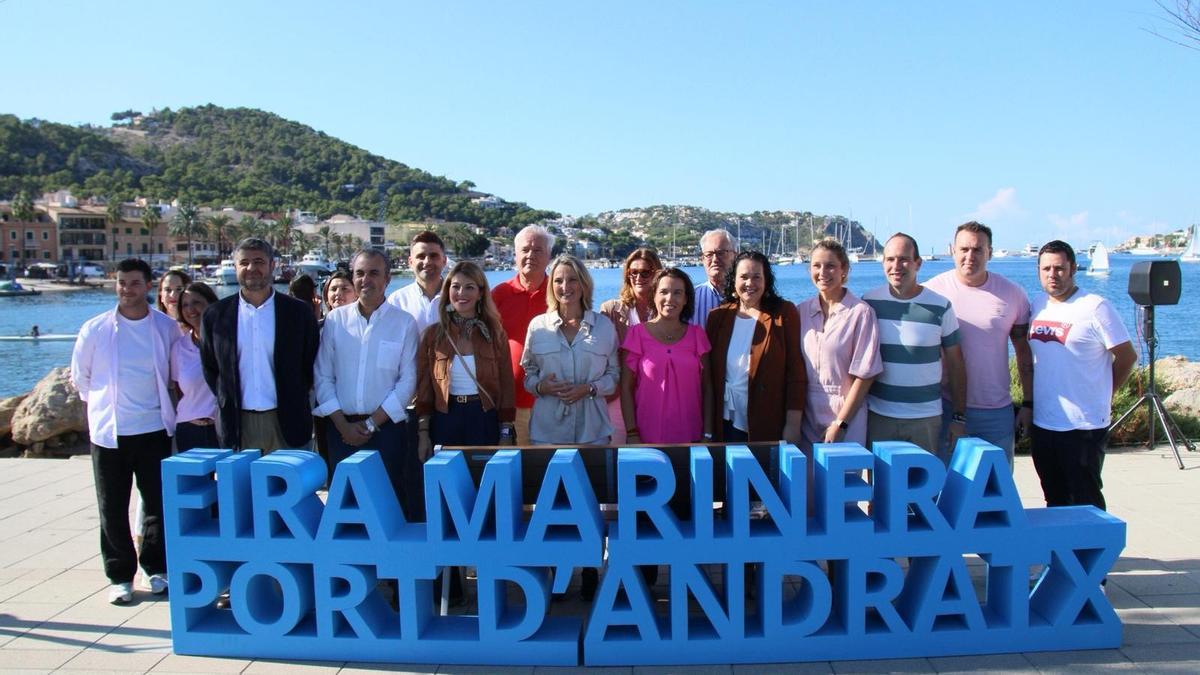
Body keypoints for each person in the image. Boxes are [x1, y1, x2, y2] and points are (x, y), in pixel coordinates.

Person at [70, 258, 180, 604]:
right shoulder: (95, 329)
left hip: (153, 430)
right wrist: (103, 408)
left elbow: (173, 375)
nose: (127, 290)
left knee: (156, 504)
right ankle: (120, 576)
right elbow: (81, 378)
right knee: (112, 506)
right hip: (109, 434)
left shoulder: (164, 328)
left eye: (134, 283)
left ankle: (156, 567)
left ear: (148, 286)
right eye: (121, 283)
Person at [1028, 241, 1136, 510]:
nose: (1053, 274)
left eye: (1060, 268)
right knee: (1054, 497)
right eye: (1046, 269)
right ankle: (1060, 551)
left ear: (1073, 268)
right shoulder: (1038, 305)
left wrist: (1104, 392)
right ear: (1039, 271)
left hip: (1083, 426)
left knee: (1085, 498)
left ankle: (1095, 552)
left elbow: (1127, 356)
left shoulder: (1095, 307)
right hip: (1044, 422)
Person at [314, 249, 420, 511]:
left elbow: (408, 382)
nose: (366, 279)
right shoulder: (335, 321)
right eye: (359, 273)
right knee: (346, 508)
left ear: (387, 278)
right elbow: (323, 376)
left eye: (374, 273)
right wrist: (342, 425)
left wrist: (372, 424)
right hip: (341, 433)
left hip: (387, 432)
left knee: (389, 507)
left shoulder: (404, 323)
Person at [925, 221, 1033, 467]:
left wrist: (1028, 403)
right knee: (944, 491)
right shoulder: (931, 293)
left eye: (978, 250)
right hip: (944, 407)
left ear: (990, 253)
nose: (969, 256)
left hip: (996, 411)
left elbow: (1023, 353)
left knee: (996, 488)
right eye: (964, 249)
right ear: (952, 250)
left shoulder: (1012, 294)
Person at [200, 237, 320, 453]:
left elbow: (310, 363)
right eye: (244, 262)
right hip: (237, 425)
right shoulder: (215, 315)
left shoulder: (299, 313)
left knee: (291, 487)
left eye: (259, 262)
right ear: (235, 267)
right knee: (242, 488)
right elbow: (211, 368)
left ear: (272, 266)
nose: (251, 268)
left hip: (288, 423)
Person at [862, 233, 967, 455]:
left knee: (924, 488)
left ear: (918, 263)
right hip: (879, 417)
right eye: (890, 259)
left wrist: (959, 416)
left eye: (904, 259)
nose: (896, 266)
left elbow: (956, 364)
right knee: (879, 489)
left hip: (925, 419)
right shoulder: (869, 303)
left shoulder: (940, 306)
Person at [416, 261, 517, 454]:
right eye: (456, 287)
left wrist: (505, 433)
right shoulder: (432, 335)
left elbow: (506, 385)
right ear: (448, 291)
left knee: (484, 480)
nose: (461, 293)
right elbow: (425, 389)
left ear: (480, 294)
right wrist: (423, 433)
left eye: (469, 287)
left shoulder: (495, 334)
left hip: (483, 417)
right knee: (447, 482)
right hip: (445, 418)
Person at [705, 251, 804, 443]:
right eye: (743, 277)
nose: (750, 283)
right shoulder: (717, 317)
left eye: (757, 277)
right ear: (733, 281)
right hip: (724, 421)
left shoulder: (784, 313)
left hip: (766, 422)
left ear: (766, 280)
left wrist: (793, 423)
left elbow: (795, 371)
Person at [521, 254, 620, 445]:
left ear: (584, 284)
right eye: (558, 281)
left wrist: (589, 388)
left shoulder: (604, 326)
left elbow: (614, 375)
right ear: (551, 286)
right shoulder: (537, 327)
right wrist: (541, 387)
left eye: (572, 280)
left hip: (593, 432)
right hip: (547, 433)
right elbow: (528, 374)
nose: (565, 287)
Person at [797, 238, 882, 453]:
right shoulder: (801, 312)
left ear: (843, 270)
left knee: (845, 480)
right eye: (817, 266)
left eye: (831, 266)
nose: (823, 272)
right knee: (807, 482)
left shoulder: (860, 313)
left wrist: (841, 423)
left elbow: (865, 375)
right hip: (807, 415)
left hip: (846, 415)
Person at [621, 267, 712, 444]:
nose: (670, 298)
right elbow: (626, 388)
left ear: (686, 299)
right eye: (663, 292)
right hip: (646, 436)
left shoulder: (697, 335)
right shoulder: (636, 334)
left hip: (692, 435)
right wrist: (632, 433)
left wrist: (707, 434)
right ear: (654, 295)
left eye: (677, 293)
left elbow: (708, 387)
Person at [494, 224, 553, 445]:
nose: (530, 255)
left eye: (538, 250)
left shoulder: (559, 293)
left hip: (552, 404)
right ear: (515, 254)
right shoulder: (499, 294)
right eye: (525, 250)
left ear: (549, 256)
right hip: (510, 406)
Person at [600, 248, 663, 444]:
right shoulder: (611, 311)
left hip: (655, 395)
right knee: (620, 453)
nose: (638, 277)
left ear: (657, 274)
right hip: (619, 397)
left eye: (645, 272)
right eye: (633, 272)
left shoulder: (665, 309)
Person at [172, 282, 221, 452]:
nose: (191, 309)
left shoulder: (229, 340)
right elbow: (177, 389)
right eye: (185, 304)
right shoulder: (179, 347)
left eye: (197, 302)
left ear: (211, 303)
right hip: (189, 429)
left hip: (223, 429)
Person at [387, 230, 448, 334]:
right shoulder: (396, 301)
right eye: (421, 256)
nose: (427, 261)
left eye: (433, 256)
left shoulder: (458, 298)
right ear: (410, 262)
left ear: (444, 261)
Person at [691, 229, 738, 327]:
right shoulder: (690, 299)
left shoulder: (749, 297)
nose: (715, 259)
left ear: (735, 256)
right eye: (709, 255)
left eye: (721, 253)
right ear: (702, 259)